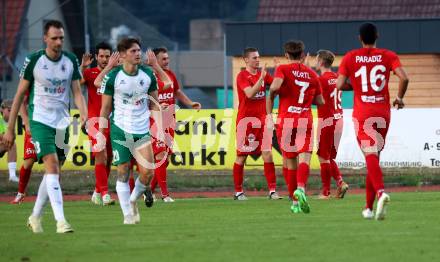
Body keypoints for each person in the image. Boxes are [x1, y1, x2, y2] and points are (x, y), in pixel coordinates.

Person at [3, 20, 88, 233]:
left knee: (55, 171)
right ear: (45, 39)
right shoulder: (34, 60)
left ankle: (35, 216)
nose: (59, 41)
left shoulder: (70, 60)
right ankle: (61, 221)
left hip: (62, 122)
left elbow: (77, 92)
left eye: (61, 38)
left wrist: (85, 114)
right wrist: (11, 128)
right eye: (54, 38)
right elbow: (20, 94)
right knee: (51, 164)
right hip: (40, 120)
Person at [336, 22, 409, 220]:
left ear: (360, 38)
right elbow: (404, 78)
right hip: (383, 112)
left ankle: (380, 193)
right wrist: (400, 98)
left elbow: (340, 84)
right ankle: (368, 209)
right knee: (374, 158)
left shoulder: (351, 57)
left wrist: (358, 87)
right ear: (377, 36)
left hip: (364, 113)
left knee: (370, 156)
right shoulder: (388, 55)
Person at [97, 38, 162, 224]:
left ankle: (133, 200)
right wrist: (101, 133)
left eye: (139, 50)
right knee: (123, 171)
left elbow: (155, 104)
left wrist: (159, 129)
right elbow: (105, 108)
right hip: (120, 129)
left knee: (148, 173)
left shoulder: (148, 75)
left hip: (141, 130)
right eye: (133, 51)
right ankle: (127, 214)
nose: (138, 54)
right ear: (123, 54)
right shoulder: (113, 77)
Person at [267, 40, 324, 213]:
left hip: (285, 120)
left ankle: (294, 202)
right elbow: (320, 101)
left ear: (286, 55)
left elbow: (275, 87)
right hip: (304, 119)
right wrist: (307, 96)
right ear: (302, 54)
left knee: (290, 163)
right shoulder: (312, 74)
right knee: (304, 158)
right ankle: (301, 188)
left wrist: (273, 94)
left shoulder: (282, 69)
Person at [146, 47, 201, 202]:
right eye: (163, 59)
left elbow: (176, 92)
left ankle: (148, 191)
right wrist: (156, 106)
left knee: (166, 159)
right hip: (155, 122)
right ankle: (165, 195)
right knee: (161, 156)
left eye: (167, 58)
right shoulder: (149, 77)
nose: (167, 61)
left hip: (170, 121)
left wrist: (190, 103)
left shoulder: (170, 75)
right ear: (154, 60)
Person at [233, 47, 280, 201]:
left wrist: (278, 70)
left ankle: (272, 191)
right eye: (254, 58)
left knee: (267, 154)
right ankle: (238, 192)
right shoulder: (242, 76)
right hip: (246, 123)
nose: (257, 60)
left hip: (262, 122)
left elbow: (277, 87)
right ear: (246, 60)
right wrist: (261, 78)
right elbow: (250, 94)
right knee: (242, 157)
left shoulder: (263, 75)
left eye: (258, 57)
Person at [80, 42, 116, 206]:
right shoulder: (90, 73)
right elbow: (76, 83)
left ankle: (97, 191)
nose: (104, 59)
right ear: (96, 57)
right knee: (101, 156)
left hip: (113, 122)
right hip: (94, 122)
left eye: (107, 56)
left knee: (109, 160)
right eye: (101, 56)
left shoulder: (116, 74)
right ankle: (105, 194)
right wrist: (82, 67)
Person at [314, 50, 349, 199]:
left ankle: (325, 192)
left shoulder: (321, 80)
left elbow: (315, 99)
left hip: (327, 120)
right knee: (330, 157)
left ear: (321, 62)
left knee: (323, 157)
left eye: (316, 60)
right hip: (339, 119)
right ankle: (340, 183)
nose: (315, 63)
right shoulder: (337, 78)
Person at [10, 94, 38, 204]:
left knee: (54, 163)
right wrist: (26, 121)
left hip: (52, 124)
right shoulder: (30, 78)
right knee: (29, 161)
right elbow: (21, 99)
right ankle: (20, 193)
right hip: (34, 124)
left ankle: (53, 196)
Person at [0, 100, 19, 182]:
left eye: (13, 110)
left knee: (12, 144)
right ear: (2, 110)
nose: (11, 113)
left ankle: (12, 176)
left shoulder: (11, 121)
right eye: (9, 110)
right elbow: (3, 137)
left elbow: (12, 137)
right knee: (10, 143)